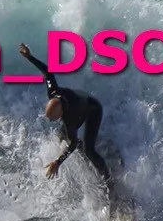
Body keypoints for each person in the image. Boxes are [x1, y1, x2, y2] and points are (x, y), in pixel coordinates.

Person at [18, 43, 113, 186]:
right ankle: (82, 151)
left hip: (93, 109)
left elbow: (73, 143)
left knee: (89, 150)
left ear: (62, 113)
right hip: (79, 102)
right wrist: (29, 57)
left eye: (54, 118)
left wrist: (58, 162)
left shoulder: (70, 118)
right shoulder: (53, 92)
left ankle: (108, 181)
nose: (52, 121)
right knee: (63, 135)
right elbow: (47, 72)